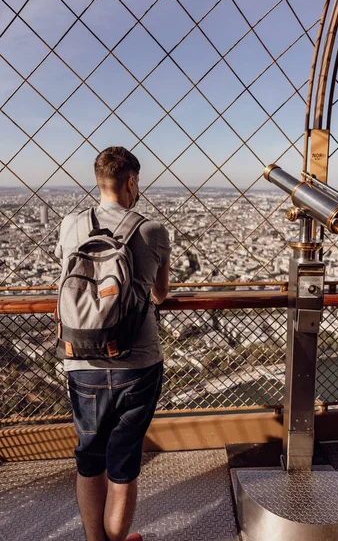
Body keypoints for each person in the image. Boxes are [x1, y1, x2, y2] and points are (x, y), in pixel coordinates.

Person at [55, 147, 170, 541]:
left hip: (80, 358)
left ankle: (94, 540)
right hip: (137, 362)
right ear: (132, 181)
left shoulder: (71, 224)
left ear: (99, 179)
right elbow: (160, 295)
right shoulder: (152, 229)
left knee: (89, 457)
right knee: (123, 461)